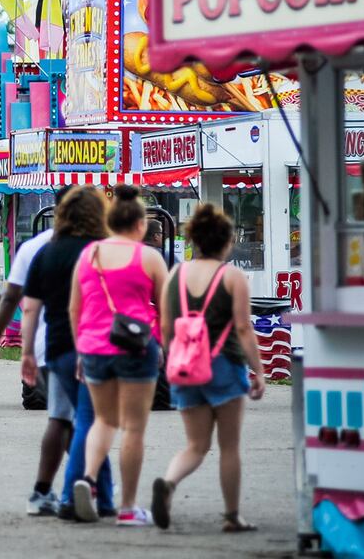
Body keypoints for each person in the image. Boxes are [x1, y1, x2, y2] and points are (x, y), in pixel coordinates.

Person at [150, 204, 265, 533]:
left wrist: (175, 358)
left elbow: (167, 326)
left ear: (195, 240)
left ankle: (169, 482)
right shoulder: (232, 277)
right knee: (229, 447)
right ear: (226, 241)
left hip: (186, 368)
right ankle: (232, 516)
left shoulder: (175, 275)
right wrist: (258, 371)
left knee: (195, 445)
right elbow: (243, 329)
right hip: (225, 367)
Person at [70, 185, 170, 527]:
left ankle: (87, 479)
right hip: (137, 348)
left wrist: (81, 348)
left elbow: (75, 309)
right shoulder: (151, 258)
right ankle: (127, 507)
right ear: (141, 225)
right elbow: (168, 312)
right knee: (134, 429)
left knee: (103, 420)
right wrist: (164, 347)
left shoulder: (89, 256)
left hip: (94, 348)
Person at [20, 186, 116, 523]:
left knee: (80, 419)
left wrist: (28, 353)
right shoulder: (101, 250)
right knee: (91, 421)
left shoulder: (46, 252)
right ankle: (70, 495)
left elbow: (30, 308)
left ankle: (105, 498)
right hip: (95, 346)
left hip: (56, 348)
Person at [0, 197, 70, 517]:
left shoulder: (36, 247)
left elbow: (15, 299)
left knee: (64, 419)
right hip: (86, 347)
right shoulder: (98, 246)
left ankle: (56, 488)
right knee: (81, 421)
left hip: (50, 347)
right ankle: (91, 485)